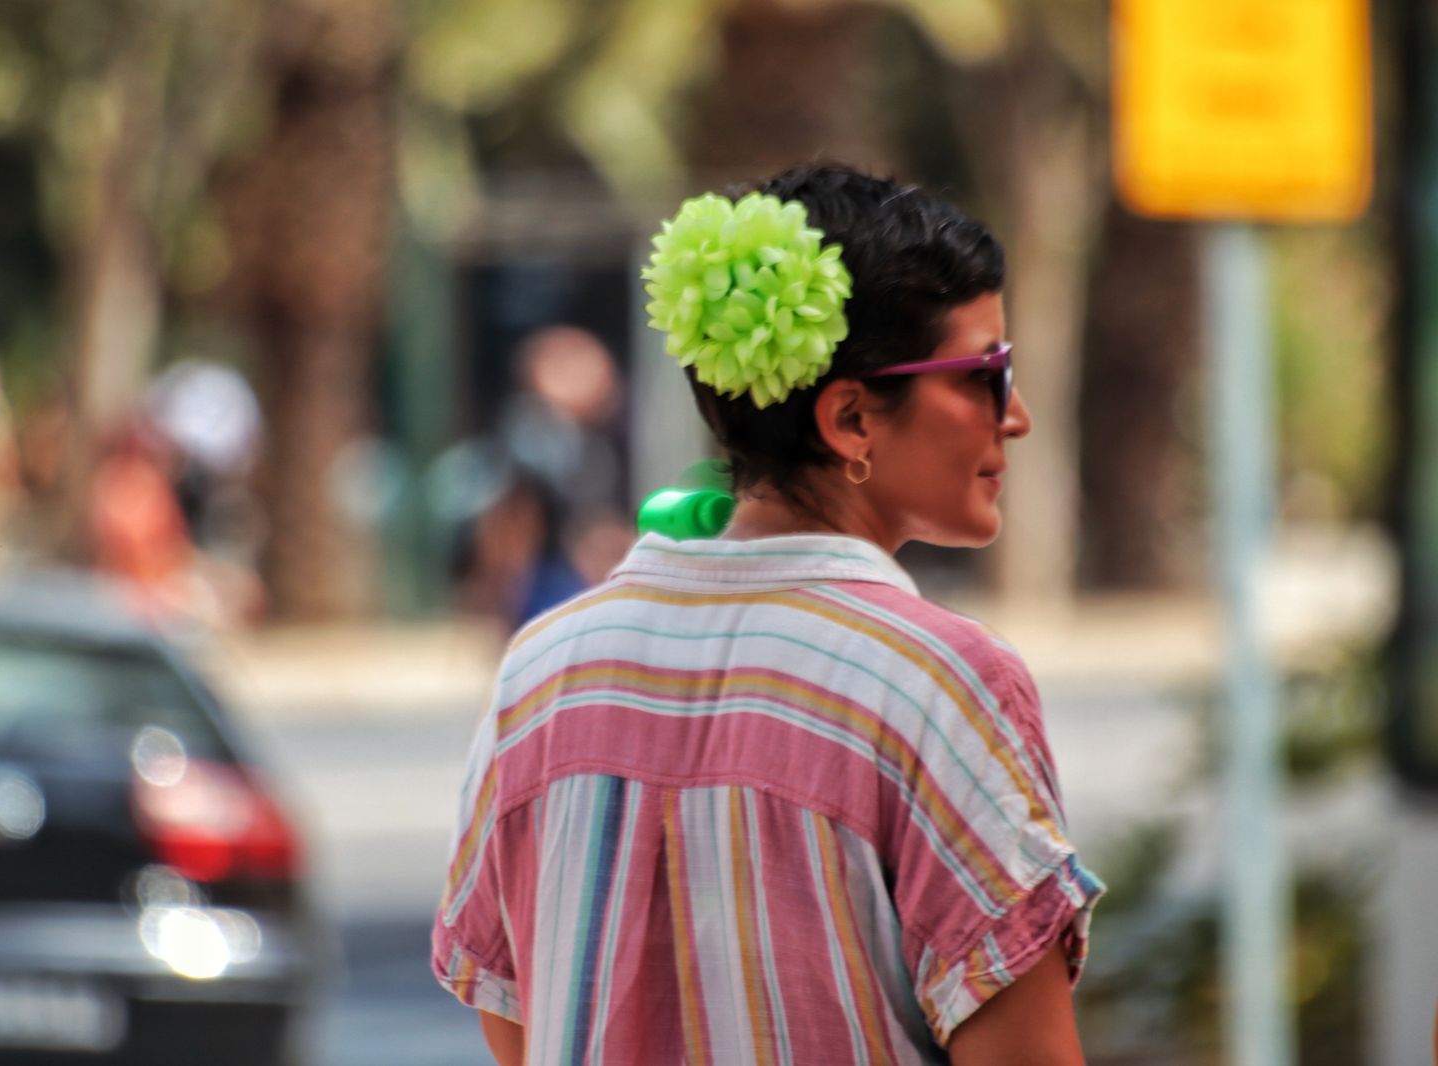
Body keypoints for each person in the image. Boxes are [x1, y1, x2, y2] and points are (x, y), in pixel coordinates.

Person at [431, 163, 1104, 1065]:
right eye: (987, 373)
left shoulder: (544, 672)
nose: (1012, 416)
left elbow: (521, 1027)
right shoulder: (942, 683)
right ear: (852, 419)